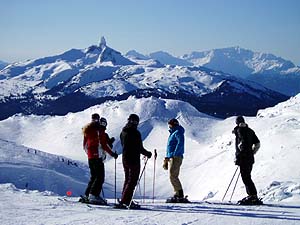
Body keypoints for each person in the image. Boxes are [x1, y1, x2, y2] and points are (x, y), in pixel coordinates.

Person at [117, 114, 152, 209]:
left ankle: (124, 199)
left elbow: (123, 144)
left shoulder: (123, 132)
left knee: (127, 179)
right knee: (132, 180)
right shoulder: (135, 133)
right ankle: (126, 201)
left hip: (125, 158)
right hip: (133, 159)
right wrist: (147, 153)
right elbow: (139, 147)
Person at [82, 113, 118, 204]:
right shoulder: (98, 131)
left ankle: (87, 195)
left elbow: (85, 145)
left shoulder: (87, 130)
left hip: (90, 157)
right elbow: (104, 145)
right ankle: (93, 195)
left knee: (94, 176)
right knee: (100, 177)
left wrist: (89, 154)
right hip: (97, 156)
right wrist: (112, 154)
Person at [233, 115, 261, 205]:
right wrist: (252, 152)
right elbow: (257, 143)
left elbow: (241, 145)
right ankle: (252, 196)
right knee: (247, 177)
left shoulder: (239, 131)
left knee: (246, 178)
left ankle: (252, 196)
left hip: (243, 158)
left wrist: (239, 157)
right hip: (250, 158)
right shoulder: (250, 131)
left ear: (237, 123)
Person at [163, 118, 187, 203]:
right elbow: (170, 147)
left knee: (173, 175)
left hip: (175, 157)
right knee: (172, 175)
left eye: (170, 125)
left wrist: (174, 154)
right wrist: (167, 158)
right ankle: (178, 193)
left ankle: (179, 194)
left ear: (173, 124)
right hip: (172, 157)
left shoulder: (177, 132)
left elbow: (180, 143)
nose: (169, 126)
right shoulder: (173, 133)